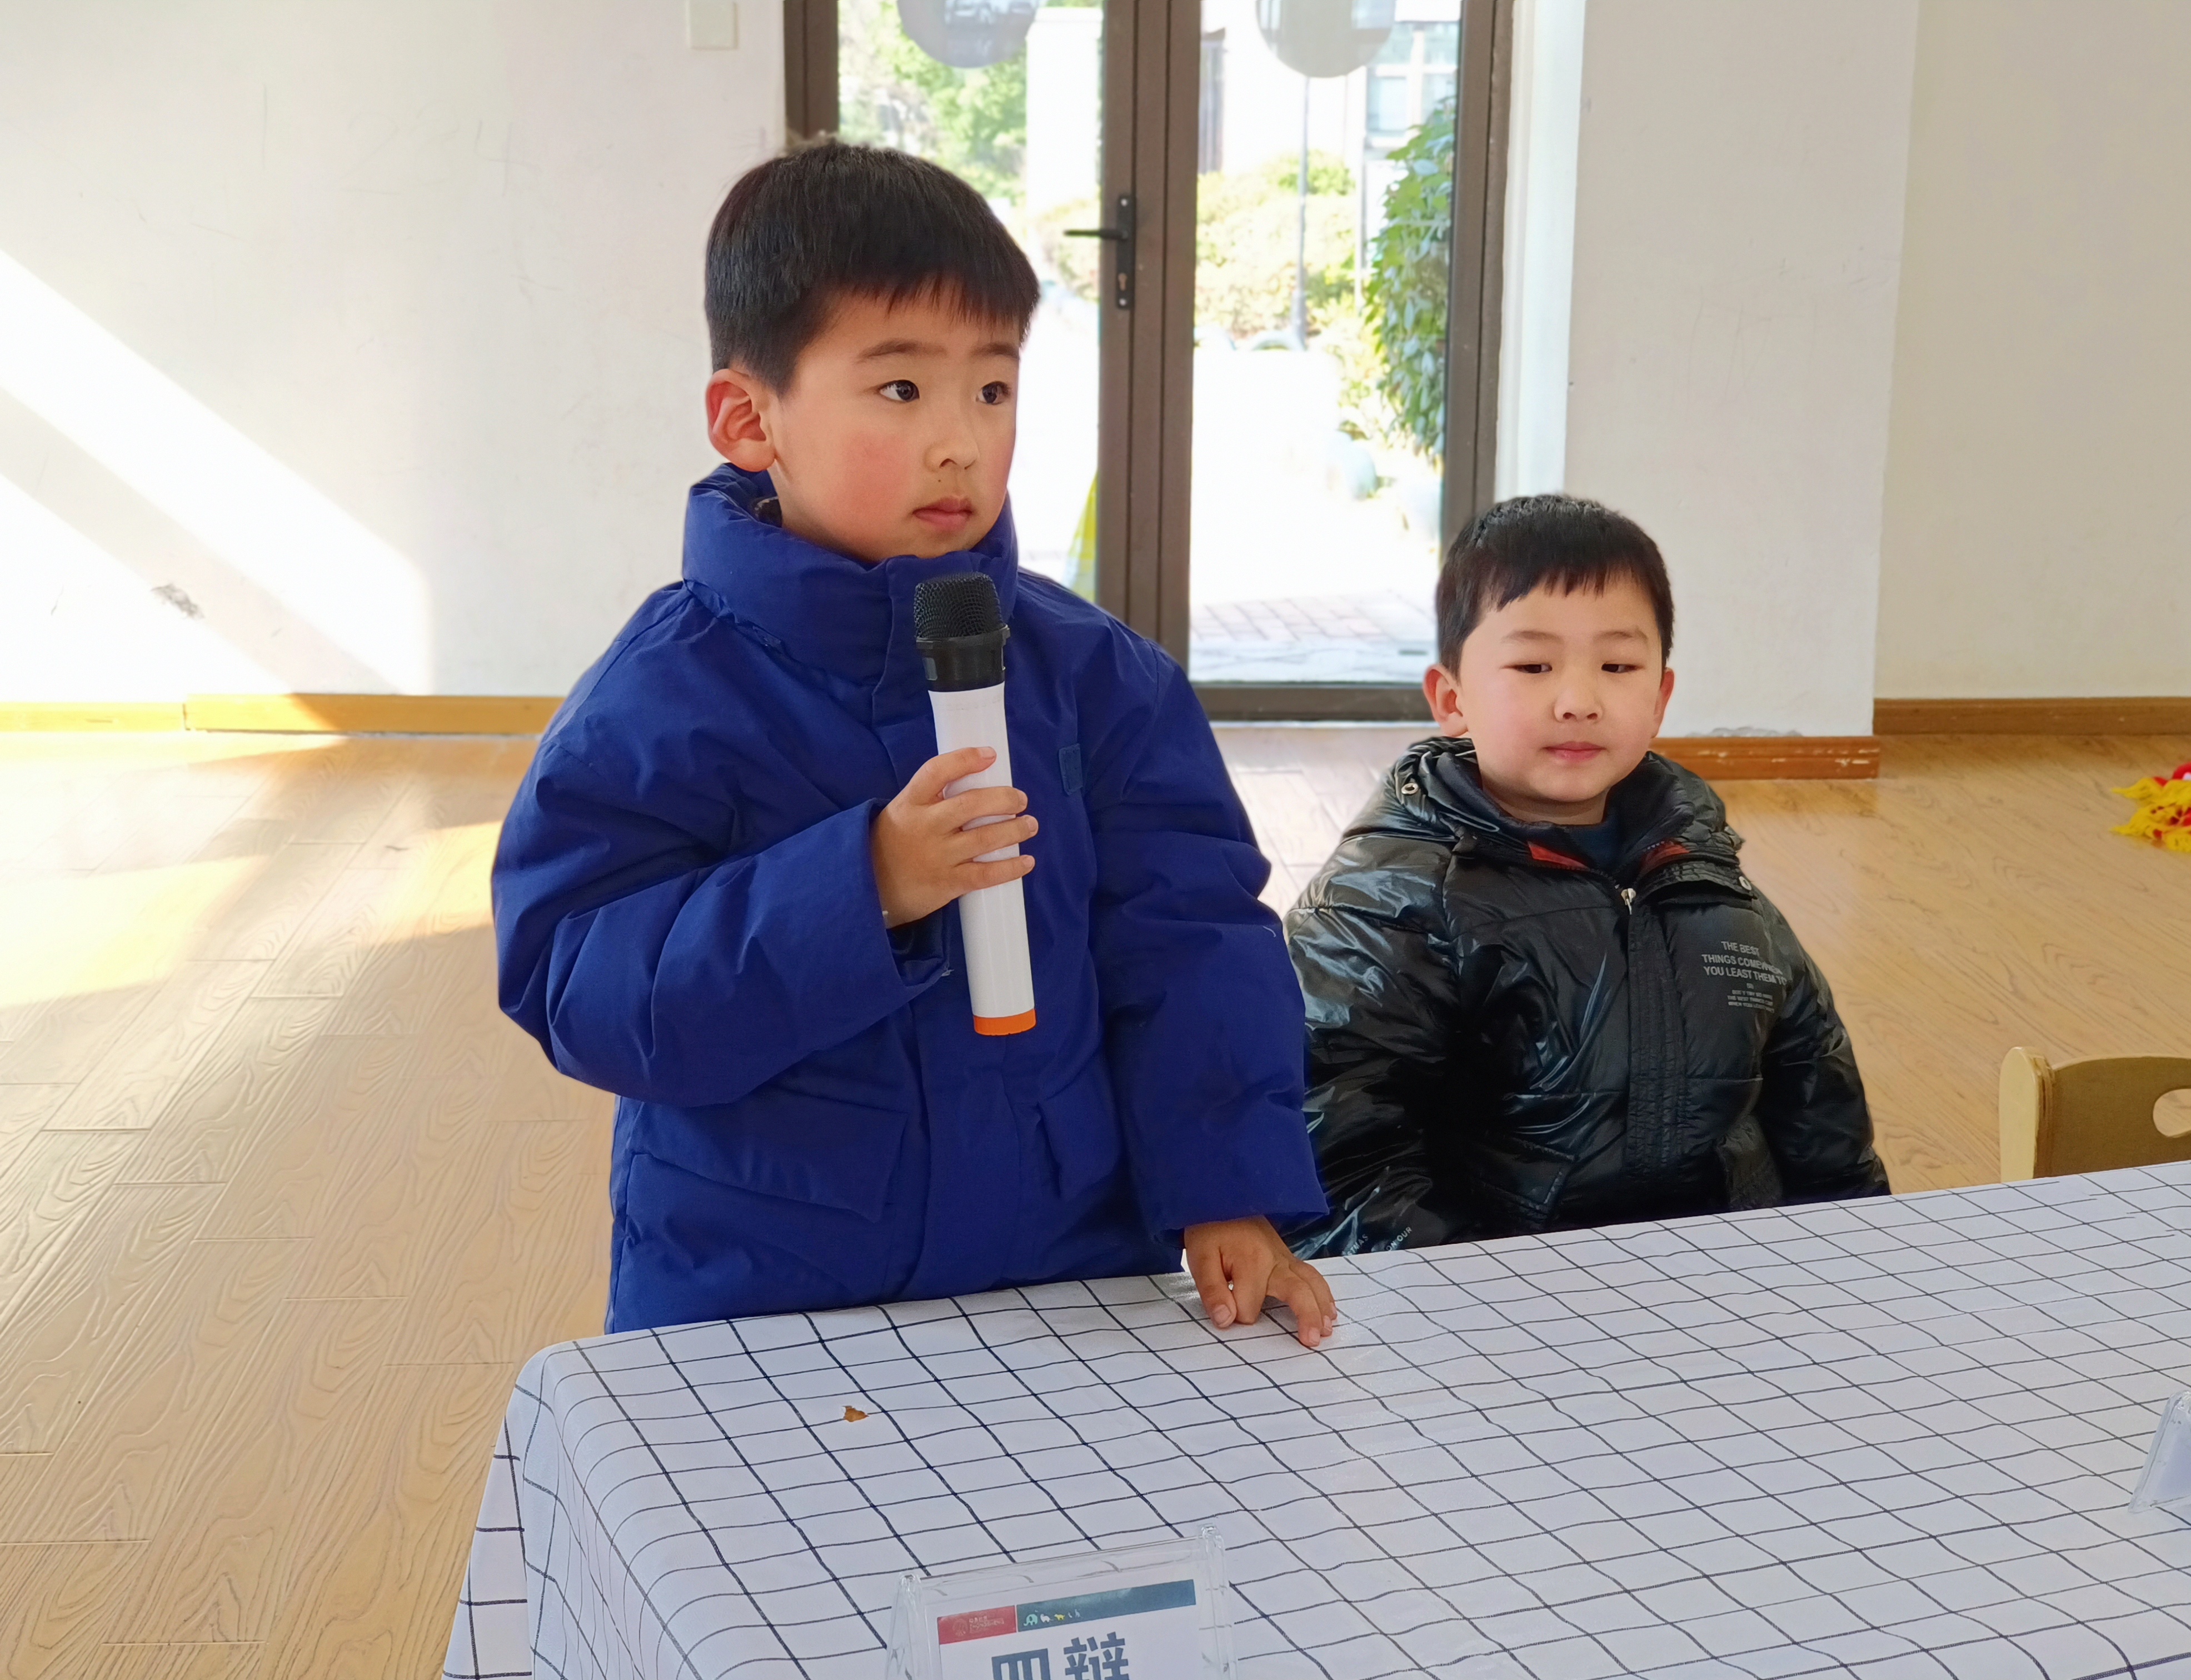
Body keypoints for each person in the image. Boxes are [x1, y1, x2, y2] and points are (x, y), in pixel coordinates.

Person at [492, 143, 1334, 1342]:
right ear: (749, 418)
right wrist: (862, 885)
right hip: (764, 1286)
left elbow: (1192, 943)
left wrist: (1227, 1188)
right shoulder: (663, 699)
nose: (961, 443)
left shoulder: (1101, 679)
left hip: (1067, 1271)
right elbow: (582, 983)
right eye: (900, 390)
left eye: (992, 390)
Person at [1285, 494, 1889, 1253]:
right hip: (1490, 1289)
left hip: (1718, 1276)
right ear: (1452, 699)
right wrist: (1493, 1293)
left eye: (1618, 666)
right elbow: (1337, 1158)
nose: (1578, 701)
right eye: (1533, 666)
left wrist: (1863, 1251)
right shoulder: (1386, 903)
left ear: (1661, 697)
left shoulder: (1711, 882)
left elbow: (1820, 1109)